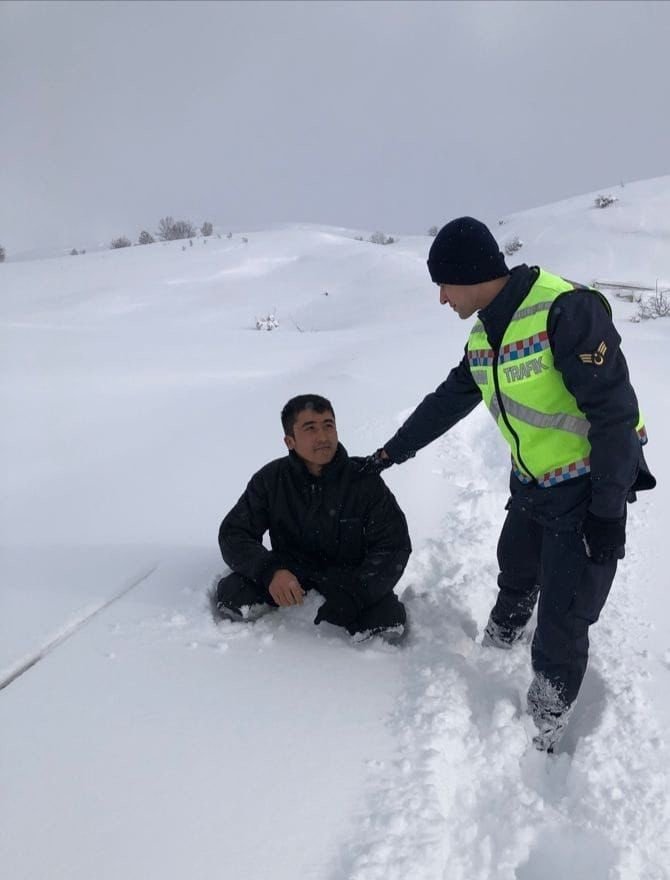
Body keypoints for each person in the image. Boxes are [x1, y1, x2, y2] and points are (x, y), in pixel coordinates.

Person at [361, 217, 655, 750]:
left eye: (444, 285)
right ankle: (504, 632)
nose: (442, 298)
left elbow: (614, 414)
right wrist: (387, 454)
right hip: (532, 480)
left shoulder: (566, 310)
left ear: (470, 274)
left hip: (587, 484)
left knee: (564, 615)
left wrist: (608, 511)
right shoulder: (484, 335)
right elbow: (448, 401)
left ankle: (546, 720)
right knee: (516, 566)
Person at [214, 394, 411, 642]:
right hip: (292, 575)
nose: (323, 437)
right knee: (234, 594)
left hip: (348, 580)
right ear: (290, 441)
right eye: (310, 428)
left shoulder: (364, 481)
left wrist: (357, 593)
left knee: (386, 620)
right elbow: (234, 533)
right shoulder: (271, 480)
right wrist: (271, 572)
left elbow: (393, 545)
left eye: (328, 425)